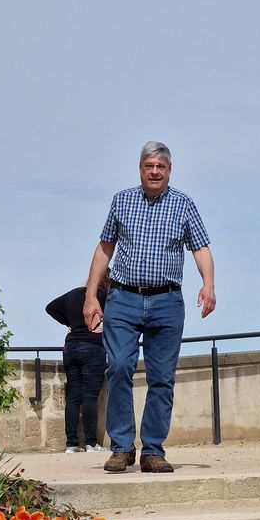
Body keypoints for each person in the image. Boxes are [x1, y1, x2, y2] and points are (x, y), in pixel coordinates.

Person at [83, 141, 216, 474]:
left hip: (167, 301)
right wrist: (90, 295)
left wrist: (208, 284)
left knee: (162, 377)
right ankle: (122, 447)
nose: (155, 172)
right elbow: (104, 248)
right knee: (118, 368)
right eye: (149, 166)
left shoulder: (183, 204)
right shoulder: (122, 200)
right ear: (140, 168)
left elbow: (201, 248)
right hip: (123, 298)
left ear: (170, 171)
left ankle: (153, 450)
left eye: (161, 167)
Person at [46, 271, 110, 453]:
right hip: (92, 348)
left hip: (71, 347)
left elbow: (51, 308)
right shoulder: (104, 296)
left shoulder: (74, 294)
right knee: (90, 396)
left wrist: (70, 323)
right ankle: (91, 443)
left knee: (73, 397)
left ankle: (72, 444)